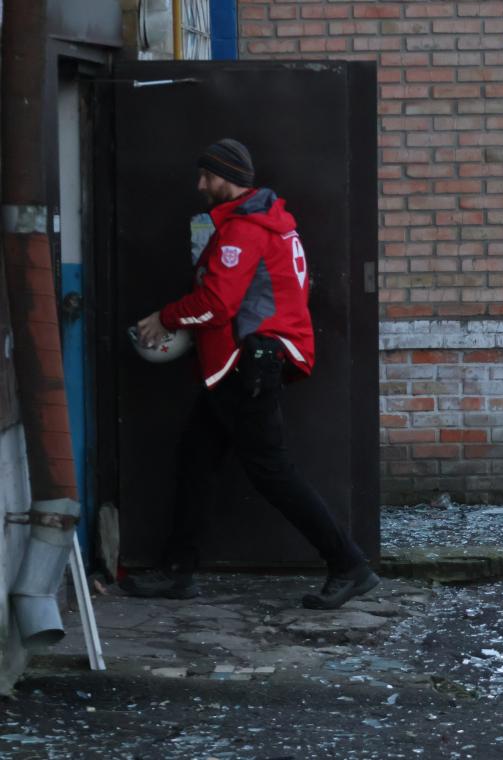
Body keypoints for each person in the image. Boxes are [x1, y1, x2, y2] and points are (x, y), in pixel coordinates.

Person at [123, 138, 377, 611]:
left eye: (206, 176)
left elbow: (218, 304)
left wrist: (166, 317)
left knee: (273, 473)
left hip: (248, 367)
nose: (200, 185)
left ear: (228, 176)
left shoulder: (246, 229)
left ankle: (349, 564)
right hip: (245, 366)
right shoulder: (268, 222)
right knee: (196, 460)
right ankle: (179, 570)